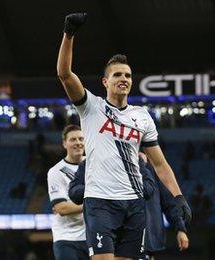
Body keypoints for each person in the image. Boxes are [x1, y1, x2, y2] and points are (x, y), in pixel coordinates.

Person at [57, 13, 190, 260]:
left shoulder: (142, 117)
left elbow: (159, 164)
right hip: (100, 202)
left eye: (128, 75)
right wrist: (69, 34)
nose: (124, 79)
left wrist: (178, 196)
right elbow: (64, 74)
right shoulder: (90, 107)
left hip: (134, 203)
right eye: (118, 75)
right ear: (105, 81)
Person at [69, 153, 190, 259]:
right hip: (109, 237)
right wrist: (101, 187)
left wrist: (180, 228)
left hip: (145, 237)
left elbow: (166, 201)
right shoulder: (90, 163)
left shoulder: (149, 168)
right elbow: (74, 193)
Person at [46, 125, 87, 260]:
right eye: (73, 139)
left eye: (81, 139)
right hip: (67, 238)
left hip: (92, 236)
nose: (78, 143)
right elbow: (61, 208)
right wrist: (93, 204)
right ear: (65, 144)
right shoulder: (56, 172)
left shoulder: (94, 164)